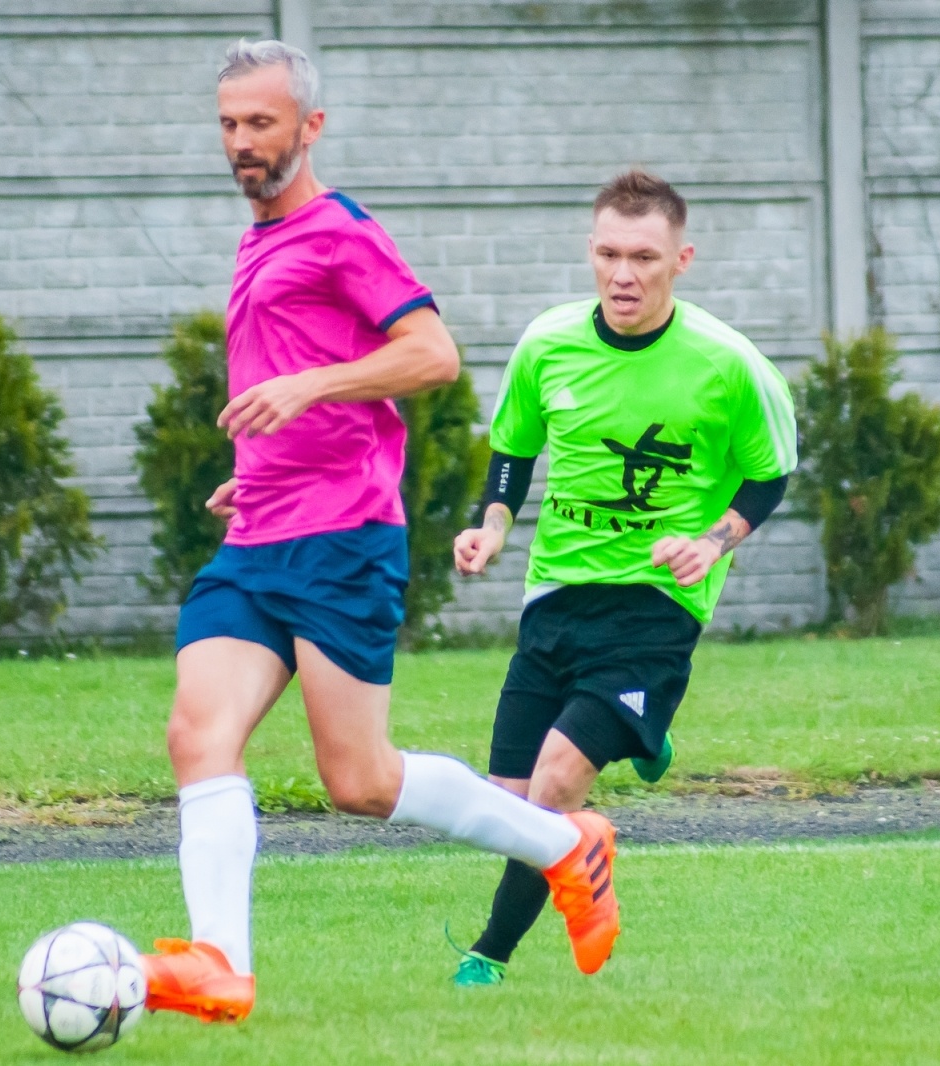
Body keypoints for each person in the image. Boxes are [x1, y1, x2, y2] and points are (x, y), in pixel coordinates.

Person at [138, 39, 621, 1024]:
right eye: (228, 125)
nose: (241, 143)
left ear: (308, 128)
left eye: (260, 124)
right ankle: (222, 965)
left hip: (341, 540)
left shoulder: (340, 231)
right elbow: (294, 384)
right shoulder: (259, 239)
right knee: (198, 732)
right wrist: (256, 470)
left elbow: (432, 354)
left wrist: (307, 387)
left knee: (358, 779)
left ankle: (564, 845)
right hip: (260, 536)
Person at [448, 170, 798, 987]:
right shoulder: (548, 344)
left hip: (655, 606)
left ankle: (486, 957)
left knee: (558, 783)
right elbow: (513, 455)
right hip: (556, 599)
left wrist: (713, 543)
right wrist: (489, 529)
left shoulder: (727, 364)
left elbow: (769, 474)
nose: (623, 274)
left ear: (682, 258)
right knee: (511, 811)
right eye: (608, 253)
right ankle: (648, 734)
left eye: (643, 256)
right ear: (591, 252)